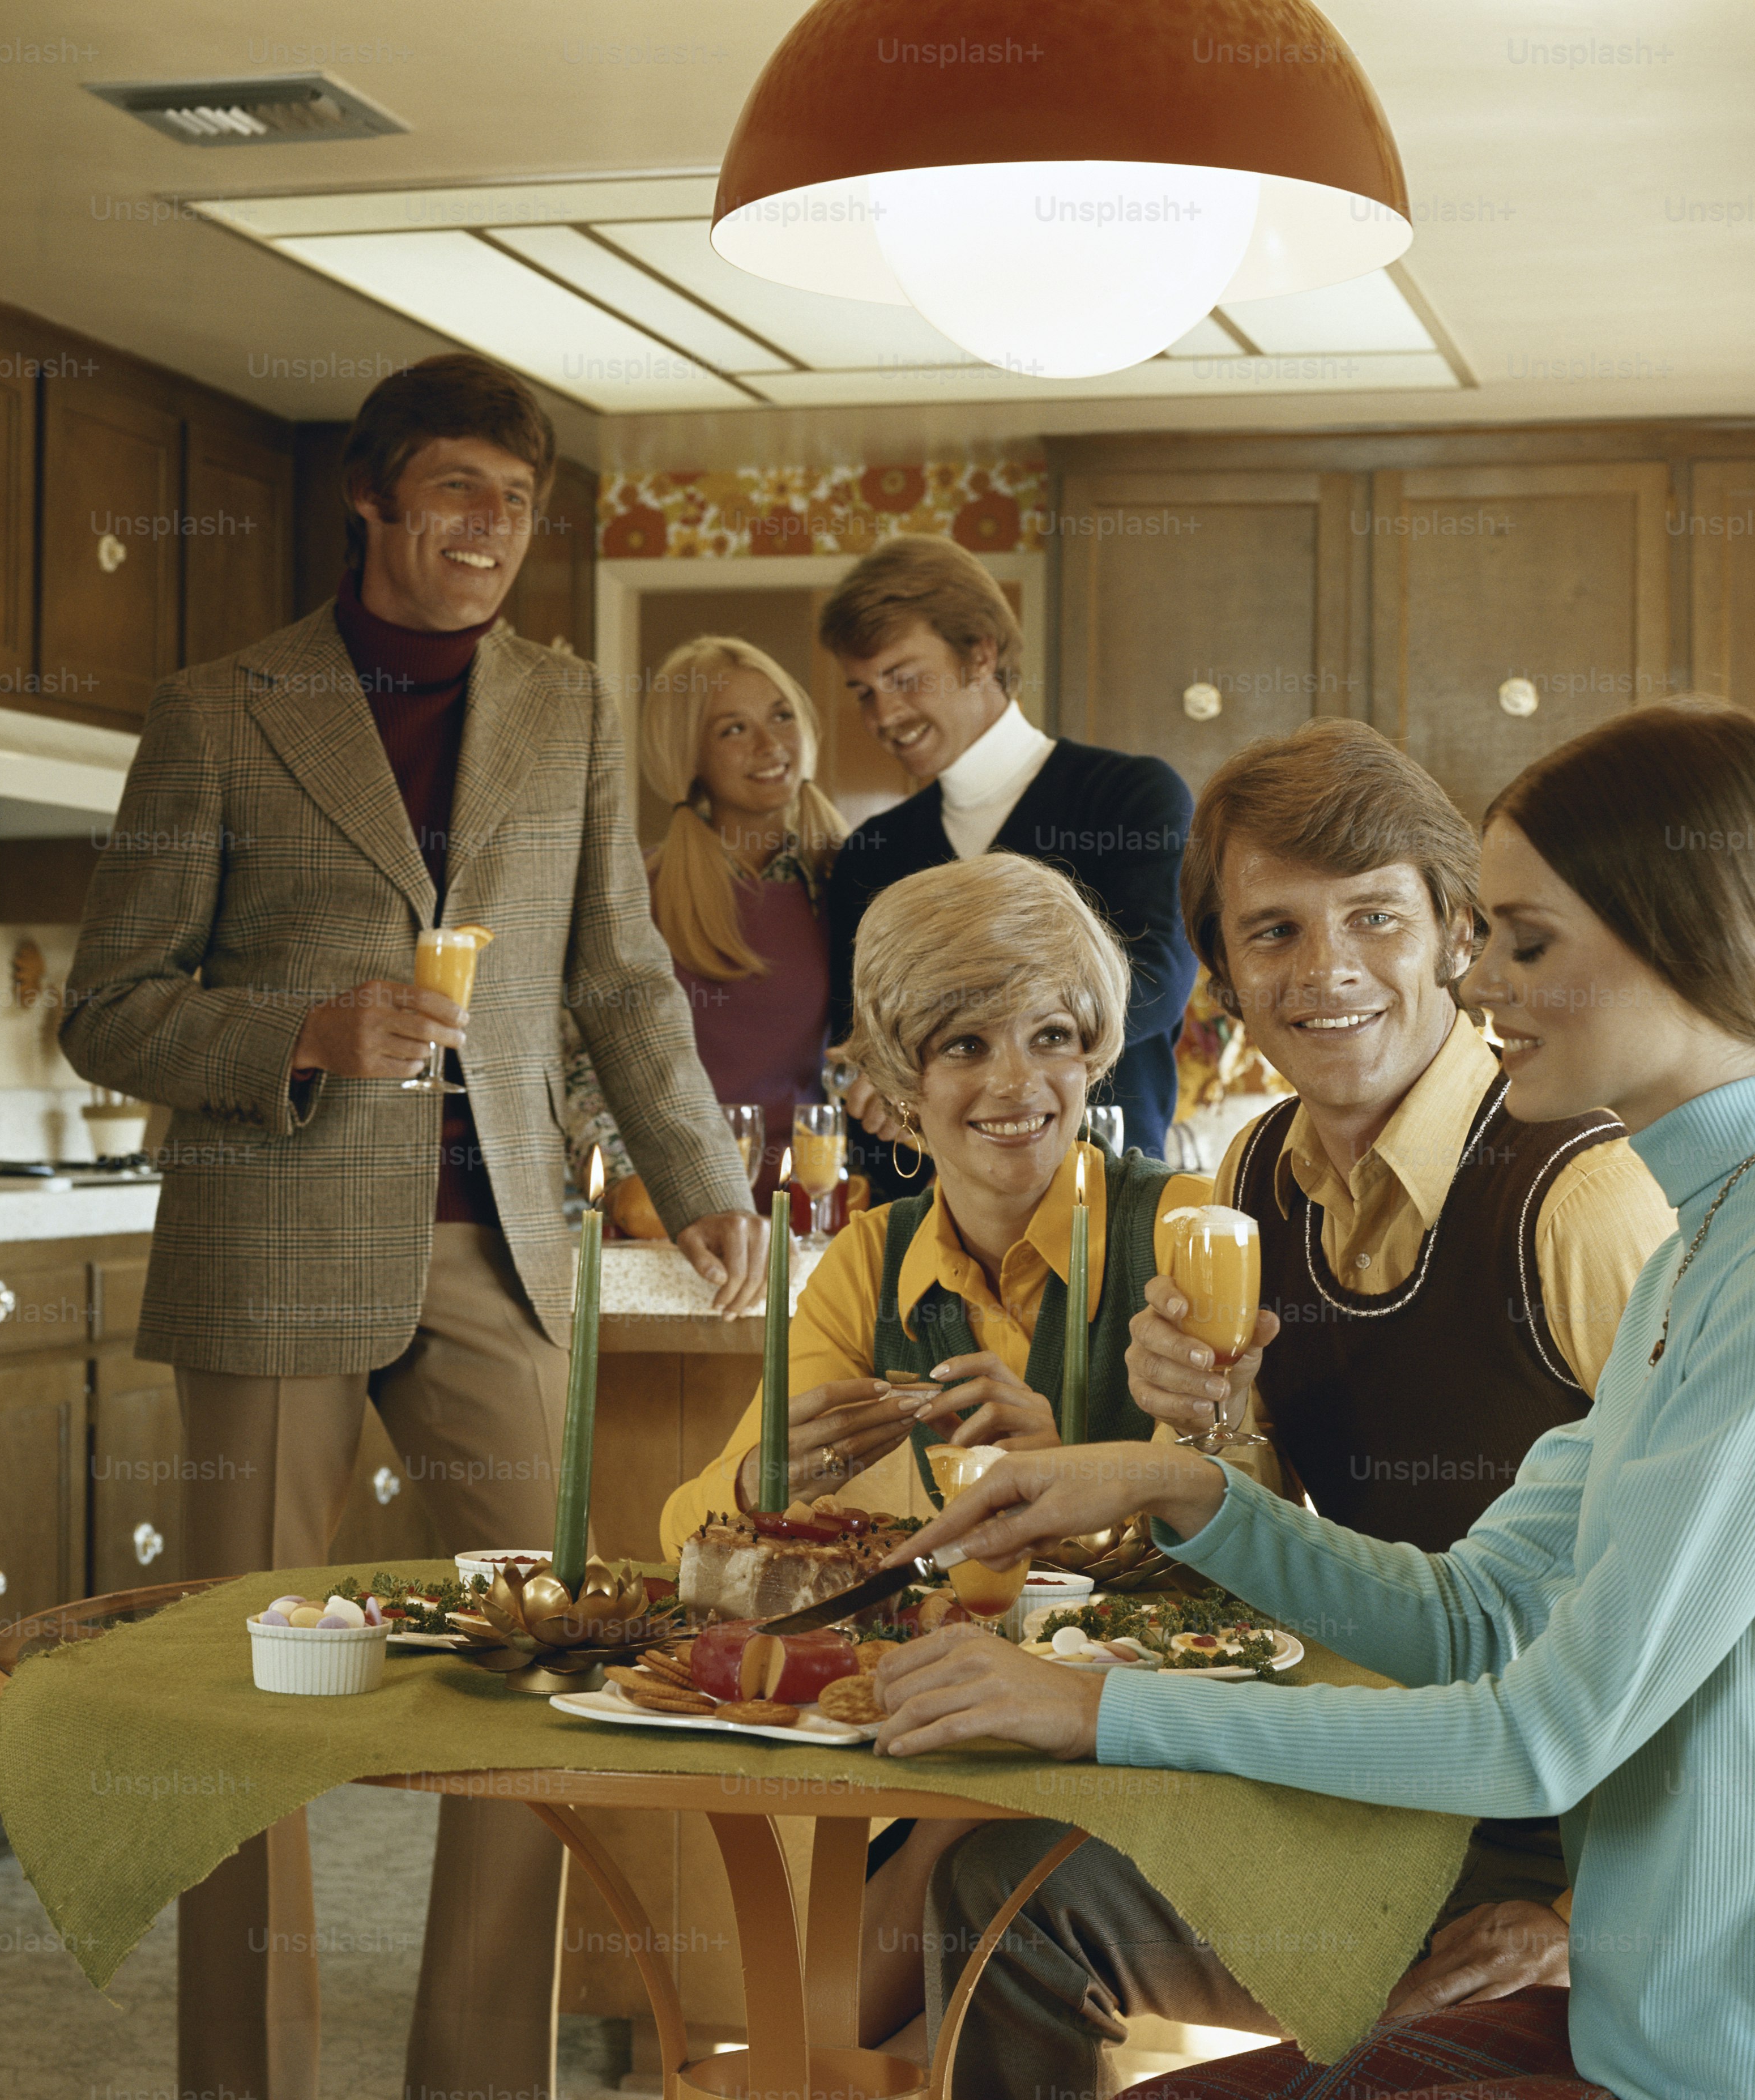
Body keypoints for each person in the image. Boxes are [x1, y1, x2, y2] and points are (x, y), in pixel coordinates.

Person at [870, 700, 1755, 2100]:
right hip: (1651, 2035)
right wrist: (1178, 1483)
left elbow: (1541, 1732)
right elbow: (1477, 1614)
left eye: (1524, 943)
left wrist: (1094, 1710)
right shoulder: (1717, 1234)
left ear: (1681, 940)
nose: (1476, 979)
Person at [59, 351, 766, 2100]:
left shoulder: (567, 708)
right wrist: (302, 1031)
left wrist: (699, 1175)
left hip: (500, 1247)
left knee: (550, 1667)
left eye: (516, 503)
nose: (490, 528)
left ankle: (478, 2075)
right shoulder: (220, 710)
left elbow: (618, 973)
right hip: (269, 1249)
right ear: (373, 498)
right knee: (251, 1695)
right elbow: (112, 1005)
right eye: (459, 489)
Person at [917, 719, 1676, 2100]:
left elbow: (1733, 1609)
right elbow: (1284, 1559)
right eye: (1272, 931)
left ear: (1455, 935)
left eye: (1372, 917)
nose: (1324, 969)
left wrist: (1587, 1921)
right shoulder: (1255, 1176)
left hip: (1586, 1847)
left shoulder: (1579, 1197)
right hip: (1384, 1794)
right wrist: (1216, 1429)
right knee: (1005, 1898)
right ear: (1221, 973)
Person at [655, 851, 1219, 2050]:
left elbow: (1241, 1537)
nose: (1018, 1082)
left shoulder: (1184, 1228)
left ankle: (806, 2047)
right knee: (887, 1961)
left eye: (1052, 1036)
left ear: (1095, 1051)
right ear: (900, 1084)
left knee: (836, 2013)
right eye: (967, 1044)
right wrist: (762, 1484)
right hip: (958, 1733)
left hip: (1155, 1732)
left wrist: (1078, 1477)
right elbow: (686, 1541)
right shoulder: (869, 1262)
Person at [819, 534, 1194, 1173]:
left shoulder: (1129, 798)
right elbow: (855, 1034)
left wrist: (939, 1049)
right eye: (864, 692)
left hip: (1098, 1191)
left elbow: (1154, 979)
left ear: (980, 654)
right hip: (921, 1204)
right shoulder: (873, 852)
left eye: (904, 678)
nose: (883, 714)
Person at [558, 635, 847, 1231]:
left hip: (812, 1212)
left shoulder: (845, 882)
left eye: (781, 716)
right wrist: (628, 1191)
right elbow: (583, 1067)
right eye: (733, 729)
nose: (770, 745)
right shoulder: (634, 890)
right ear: (688, 756)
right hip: (671, 1214)